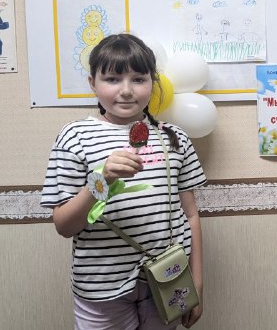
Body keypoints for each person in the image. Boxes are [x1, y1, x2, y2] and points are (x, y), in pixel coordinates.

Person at [41, 34, 206, 330]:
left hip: (170, 279)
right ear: (93, 83)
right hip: (101, 285)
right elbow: (64, 226)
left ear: (153, 82)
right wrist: (101, 179)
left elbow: (190, 214)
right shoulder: (74, 137)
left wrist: (197, 281)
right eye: (113, 79)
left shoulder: (175, 138)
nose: (127, 91)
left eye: (139, 79)